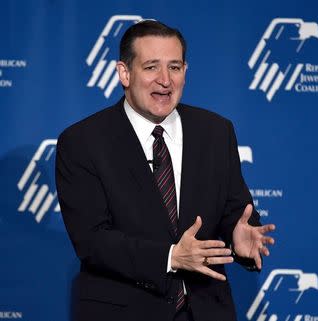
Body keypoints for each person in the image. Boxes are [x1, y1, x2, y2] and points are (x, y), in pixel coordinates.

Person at [56, 19, 275, 321]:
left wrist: (239, 237)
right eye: (151, 67)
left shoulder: (215, 131)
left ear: (185, 71)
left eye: (174, 67)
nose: (165, 80)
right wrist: (171, 257)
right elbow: (91, 240)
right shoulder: (83, 141)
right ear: (124, 73)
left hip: (205, 310)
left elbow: (233, 210)